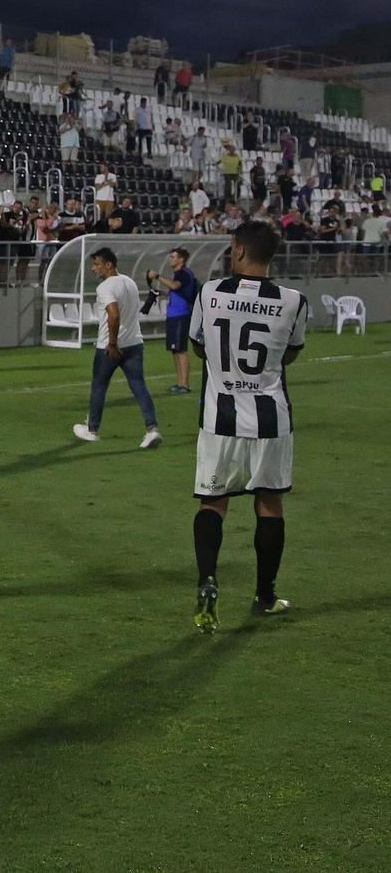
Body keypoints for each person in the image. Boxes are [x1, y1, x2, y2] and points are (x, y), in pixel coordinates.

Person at [187, 222, 308, 632]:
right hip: (271, 418)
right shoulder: (293, 301)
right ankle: (265, 596)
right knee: (269, 503)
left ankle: (207, 579)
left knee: (212, 503)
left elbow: (199, 346)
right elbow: (290, 354)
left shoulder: (209, 292)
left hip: (219, 417)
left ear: (237, 250)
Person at [72, 247, 161, 448]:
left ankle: (92, 430)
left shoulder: (105, 288)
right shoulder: (128, 282)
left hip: (110, 346)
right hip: (134, 342)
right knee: (139, 386)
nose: (93, 269)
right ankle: (152, 429)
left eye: (96, 264)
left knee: (99, 386)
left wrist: (112, 343)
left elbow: (113, 314)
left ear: (109, 264)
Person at [146, 248, 198, 395]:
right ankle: (180, 383)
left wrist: (156, 276)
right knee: (175, 349)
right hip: (174, 315)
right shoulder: (179, 274)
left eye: (173, 257)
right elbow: (175, 290)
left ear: (181, 259)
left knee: (181, 350)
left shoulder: (183, 273)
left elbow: (175, 286)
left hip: (181, 314)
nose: (171, 259)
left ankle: (185, 384)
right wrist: (161, 293)